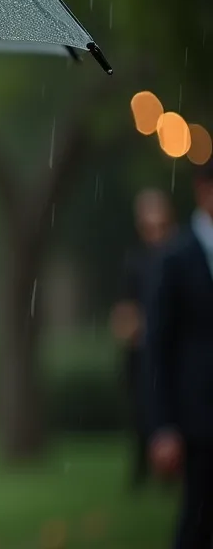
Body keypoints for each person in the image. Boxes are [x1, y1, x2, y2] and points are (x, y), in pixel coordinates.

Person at [145, 161, 213, 549]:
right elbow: (158, 346)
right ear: (203, 189)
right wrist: (163, 425)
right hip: (198, 417)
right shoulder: (175, 258)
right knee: (197, 520)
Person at [112, 188, 174, 489]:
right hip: (143, 351)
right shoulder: (136, 262)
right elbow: (125, 312)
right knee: (142, 412)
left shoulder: (177, 257)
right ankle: (143, 468)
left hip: (171, 350)